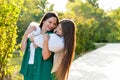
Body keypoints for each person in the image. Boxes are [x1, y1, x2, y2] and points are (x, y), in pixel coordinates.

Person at [20, 11, 59, 80]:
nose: (52, 25)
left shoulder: (51, 36)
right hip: (29, 68)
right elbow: (23, 49)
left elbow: (46, 56)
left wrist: (39, 42)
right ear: (43, 21)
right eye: (50, 22)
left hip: (43, 69)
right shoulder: (34, 32)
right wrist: (26, 34)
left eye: (54, 24)